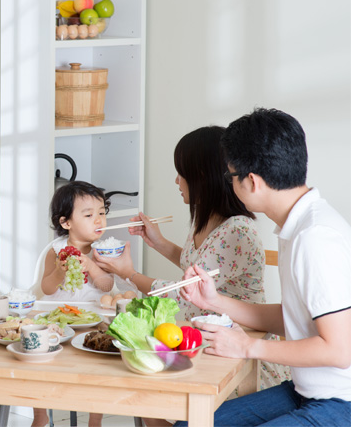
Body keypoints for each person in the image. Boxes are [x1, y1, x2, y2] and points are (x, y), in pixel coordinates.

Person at [177, 108, 351, 426]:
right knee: (189, 423)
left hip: (340, 402)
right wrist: (213, 301)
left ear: (252, 182)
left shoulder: (314, 238)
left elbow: (339, 350)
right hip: (306, 390)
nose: (229, 184)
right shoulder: (297, 225)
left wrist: (248, 346)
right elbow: (292, 316)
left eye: (231, 176)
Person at [93, 126, 289, 396]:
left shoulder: (236, 231)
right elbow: (196, 268)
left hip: (238, 350)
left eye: (181, 173)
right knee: (141, 380)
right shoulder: (206, 220)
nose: (176, 181)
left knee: (146, 387)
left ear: (201, 176)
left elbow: (183, 293)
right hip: (204, 338)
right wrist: (158, 242)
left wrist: (130, 274)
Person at [32, 181, 115, 427]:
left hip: (93, 319)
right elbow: (46, 288)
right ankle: (40, 416)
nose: (98, 220)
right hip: (57, 317)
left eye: (102, 213)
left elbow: (108, 286)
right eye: (89, 215)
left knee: (99, 363)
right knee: (37, 355)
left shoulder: (104, 250)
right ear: (66, 223)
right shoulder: (56, 251)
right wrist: (59, 272)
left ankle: (95, 419)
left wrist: (92, 266)